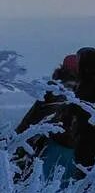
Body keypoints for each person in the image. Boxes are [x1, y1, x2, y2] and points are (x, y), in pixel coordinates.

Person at [15, 54, 80, 185]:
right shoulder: (69, 91)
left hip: (50, 144)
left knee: (46, 185)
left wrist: (20, 141)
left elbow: (33, 117)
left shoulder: (53, 88)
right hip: (63, 146)